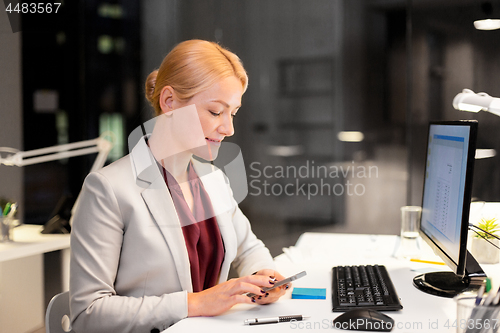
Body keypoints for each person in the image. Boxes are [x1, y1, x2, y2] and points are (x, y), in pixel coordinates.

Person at [69, 39, 288, 333]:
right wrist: (195, 303)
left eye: (232, 113)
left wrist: (266, 278)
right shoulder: (108, 188)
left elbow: (249, 248)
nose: (229, 128)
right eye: (215, 112)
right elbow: (88, 313)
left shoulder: (212, 178)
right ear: (170, 102)